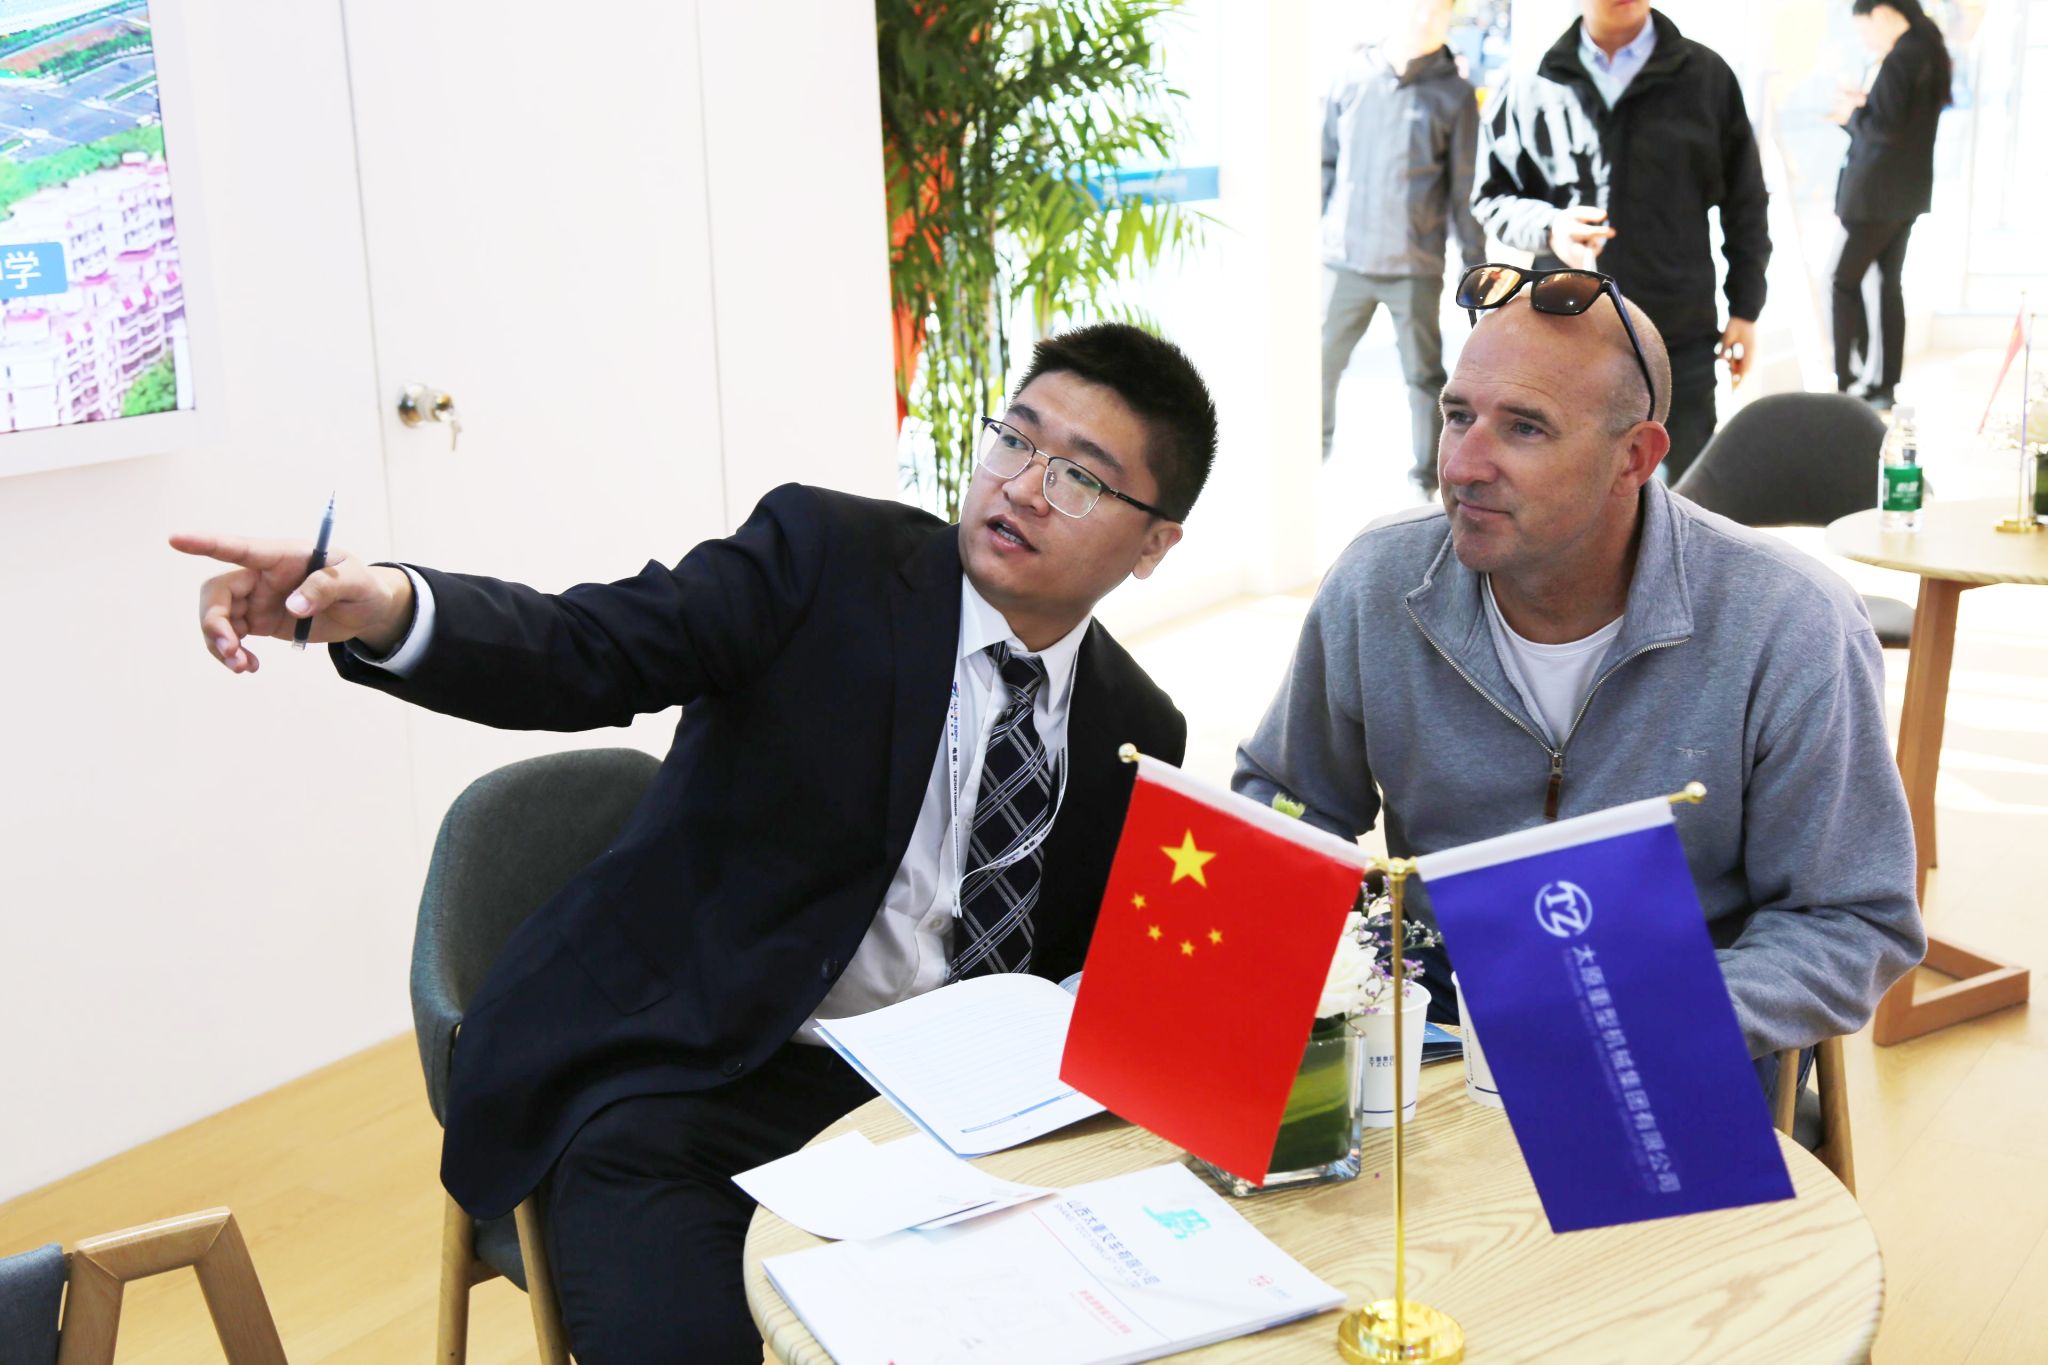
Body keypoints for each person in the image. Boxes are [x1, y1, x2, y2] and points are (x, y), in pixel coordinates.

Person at [171, 323, 1217, 1364]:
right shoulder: (824, 560)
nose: (1023, 488)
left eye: (1079, 478)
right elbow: (588, 647)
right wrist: (388, 607)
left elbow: (1080, 987)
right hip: (700, 1074)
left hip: (940, 1120)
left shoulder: (1136, 730)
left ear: (1152, 544)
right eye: (1015, 440)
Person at [1234, 264, 1924, 1078]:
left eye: (1525, 428)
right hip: (1439, 1017)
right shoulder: (1378, 582)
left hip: (1678, 1027)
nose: (1461, 465)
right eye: (1458, 416)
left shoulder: (1790, 623)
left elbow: (1850, 915)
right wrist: (1352, 970)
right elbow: (1288, 796)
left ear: (1634, 456)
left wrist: (1656, 1018)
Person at [1471, 1, 1770, 484]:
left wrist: (1745, 309)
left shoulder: (1706, 77)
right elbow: (1492, 198)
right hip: (1564, 331)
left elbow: (1746, 202)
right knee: (1562, 491)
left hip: (1678, 335)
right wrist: (1551, 226)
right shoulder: (1531, 83)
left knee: (1687, 496)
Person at [1320, 0, 1485, 494]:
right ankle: (1311, 454)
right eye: (1418, 7)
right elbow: (1324, 161)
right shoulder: (1352, 76)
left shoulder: (1454, 94)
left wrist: (1476, 269)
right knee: (1320, 364)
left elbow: (1463, 190)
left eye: (1439, 10)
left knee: (1424, 377)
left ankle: (1428, 480)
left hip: (1414, 264)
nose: (1425, 19)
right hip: (1344, 259)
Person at [1828, 0, 1951, 411]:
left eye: (1864, 29)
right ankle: (1881, 384)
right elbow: (1899, 121)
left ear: (1881, 13)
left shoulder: (1902, 57)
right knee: (1885, 284)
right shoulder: (1928, 50)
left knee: (1843, 282)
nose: (1866, 39)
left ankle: (1845, 383)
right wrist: (1865, 107)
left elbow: (1885, 129)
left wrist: (1851, 114)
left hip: (1876, 196)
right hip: (1904, 194)